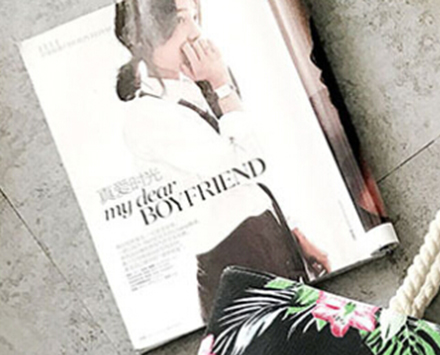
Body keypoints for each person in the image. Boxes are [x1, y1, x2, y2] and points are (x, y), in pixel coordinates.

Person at [114, 0, 331, 319]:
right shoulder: (147, 115)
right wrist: (222, 85)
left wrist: (294, 233)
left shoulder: (191, 85)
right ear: (148, 33)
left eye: (195, 16)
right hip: (235, 260)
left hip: (267, 238)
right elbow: (244, 166)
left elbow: (254, 181)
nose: (196, 32)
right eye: (182, 19)